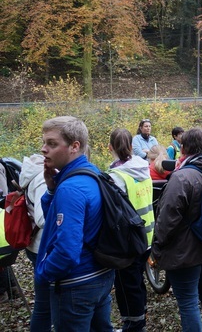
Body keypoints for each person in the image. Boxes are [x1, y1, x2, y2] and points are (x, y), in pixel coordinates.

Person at [36, 116, 114, 331]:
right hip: (101, 274)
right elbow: (55, 224)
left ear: (74, 146)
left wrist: (43, 273)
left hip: (76, 284)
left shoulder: (71, 188)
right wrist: (51, 189)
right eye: (44, 143)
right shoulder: (94, 173)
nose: (44, 149)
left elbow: (66, 251)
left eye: (52, 144)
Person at [152, 128, 202, 331]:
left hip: (185, 251)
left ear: (184, 148)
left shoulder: (182, 177)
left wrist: (157, 249)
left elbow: (167, 219)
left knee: (188, 301)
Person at [107, 128, 154, 332]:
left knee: (127, 283)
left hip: (129, 239)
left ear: (110, 148)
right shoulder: (144, 168)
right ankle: (140, 314)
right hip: (148, 234)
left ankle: (134, 324)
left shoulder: (116, 176)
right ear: (131, 147)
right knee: (137, 278)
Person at [18, 154, 50, 329]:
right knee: (44, 305)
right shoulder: (41, 180)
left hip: (36, 245)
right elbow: (42, 219)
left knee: (44, 301)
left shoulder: (32, 172)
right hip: (41, 247)